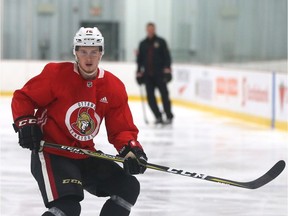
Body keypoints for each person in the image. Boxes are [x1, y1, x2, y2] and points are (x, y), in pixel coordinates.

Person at [11, 27, 148, 216]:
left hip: (84, 153)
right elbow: (23, 98)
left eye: (94, 52)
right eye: (83, 52)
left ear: (101, 53)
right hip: (53, 152)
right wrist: (25, 122)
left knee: (128, 187)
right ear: (75, 52)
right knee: (68, 207)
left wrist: (132, 149)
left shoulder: (113, 86)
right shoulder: (56, 75)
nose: (88, 58)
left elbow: (121, 128)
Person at [136, 22, 174, 124]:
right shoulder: (142, 44)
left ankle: (169, 115)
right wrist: (139, 72)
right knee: (150, 98)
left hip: (160, 75)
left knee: (164, 96)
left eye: (152, 29)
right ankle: (158, 116)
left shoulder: (161, 42)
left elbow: (167, 57)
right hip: (148, 76)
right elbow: (139, 60)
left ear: (154, 29)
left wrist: (167, 70)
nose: (150, 31)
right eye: (148, 29)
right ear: (146, 30)